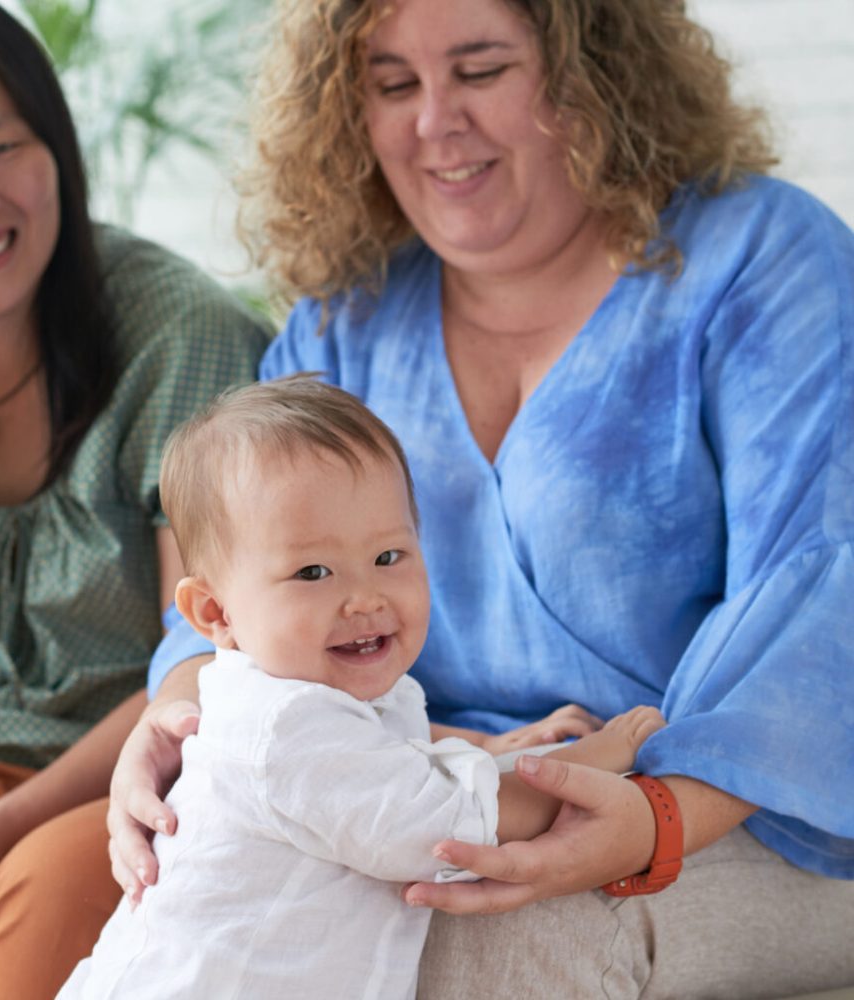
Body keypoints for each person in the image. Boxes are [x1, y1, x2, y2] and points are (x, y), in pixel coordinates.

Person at [106, 0, 854, 997]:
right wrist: (172, 717)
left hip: (759, 813)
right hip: (427, 786)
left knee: (477, 937)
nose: (434, 123)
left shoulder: (761, 257)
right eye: (393, 84)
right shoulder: (346, 322)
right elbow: (226, 610)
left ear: (594, 70)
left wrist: (653, 814)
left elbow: (821, 595)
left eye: (482, 69)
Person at [0, 0, 268, 996]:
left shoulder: (181, 338)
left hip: (137, 789)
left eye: (1, 147)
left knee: (40, 922)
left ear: (58, 150)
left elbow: (217, 659)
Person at [58, 376, 664, 1000]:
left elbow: (395, 763)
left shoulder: (316, 695)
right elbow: (456, 825)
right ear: (216, 613)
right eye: (312, 572)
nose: (365, 597)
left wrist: (496, 745)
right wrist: (602, 754)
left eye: (389, 557)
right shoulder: (283, 726)